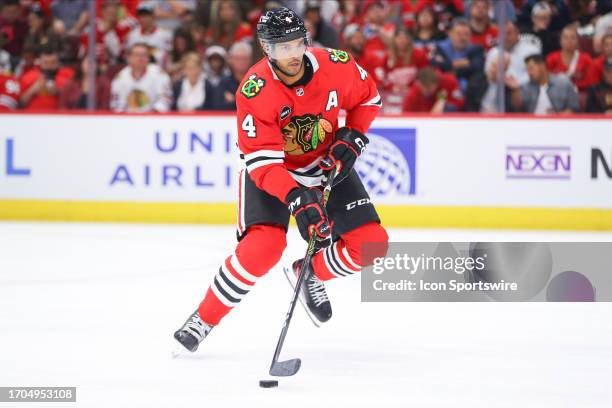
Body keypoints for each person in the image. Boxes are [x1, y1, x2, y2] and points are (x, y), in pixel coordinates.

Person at [173, 7, 388, 352]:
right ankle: (204, 318)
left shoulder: (335, 64)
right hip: (276, 173)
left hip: (325, 164)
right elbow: (264, 166)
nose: (292, 54)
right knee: (263, 249)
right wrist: (298, 198)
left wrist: (355, 136)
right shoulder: (254, 91)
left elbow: (369, 98)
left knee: (372, 244)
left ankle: (311, 271)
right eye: (281, 47)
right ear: (266, 49)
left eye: (296, 44)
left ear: (305, 40)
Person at [110, 42, 171, 112]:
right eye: (137, 55)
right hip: (127, 120)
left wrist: (152, 115)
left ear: (148, 58)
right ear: (129, 58)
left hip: (153, 119)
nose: (140, 58)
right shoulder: (120, 78)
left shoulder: (159, 75)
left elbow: (165, 100)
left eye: (144, 55)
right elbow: (116, 106)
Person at [513, 54, 580, 114]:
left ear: (542, 66)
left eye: (531, 68)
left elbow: (573, 107)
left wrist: (559, 119)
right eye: (527, 69)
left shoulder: (564, 84)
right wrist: (515, 90)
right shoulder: (526, 87)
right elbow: (517, 108)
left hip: (558, 124)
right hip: (532, 124)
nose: (529, 73)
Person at [432, 17, 484, 91]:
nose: (463, 38)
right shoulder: (440, 47)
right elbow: (435, 64)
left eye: (466, 34)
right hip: (442, 86)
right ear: (450, 33)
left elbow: (476, 68)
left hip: (467, 88)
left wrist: (448, 67)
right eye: (459, 34)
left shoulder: (476, 50)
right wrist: (458, 64)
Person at [19, 45, 74, 110]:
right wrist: (33, 89)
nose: (49, 66)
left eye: (53, 62)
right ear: (40, 62)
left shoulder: (68, 76)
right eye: (46, 62)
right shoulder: (28, 76)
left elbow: (76, 102)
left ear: (58, 62)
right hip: (33, 116)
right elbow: (19, 103)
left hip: (59, 117)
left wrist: (59, 92)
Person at [546, 24, 594, 91]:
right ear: (560, 41)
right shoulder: (551, 58)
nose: (569, 40)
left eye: (573, 38)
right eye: (565, 37)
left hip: (579, 93)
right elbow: (545, 80)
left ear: (578, 41)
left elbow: (591, 81)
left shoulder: (586, 59)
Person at [207, 41, 253, 111]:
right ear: (231, 60)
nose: (241, 62)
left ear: (250, 60)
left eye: (244, 58)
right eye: (238, 58)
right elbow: (216, 107)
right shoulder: (223, 83)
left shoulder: (257, 81)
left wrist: (233, 100)